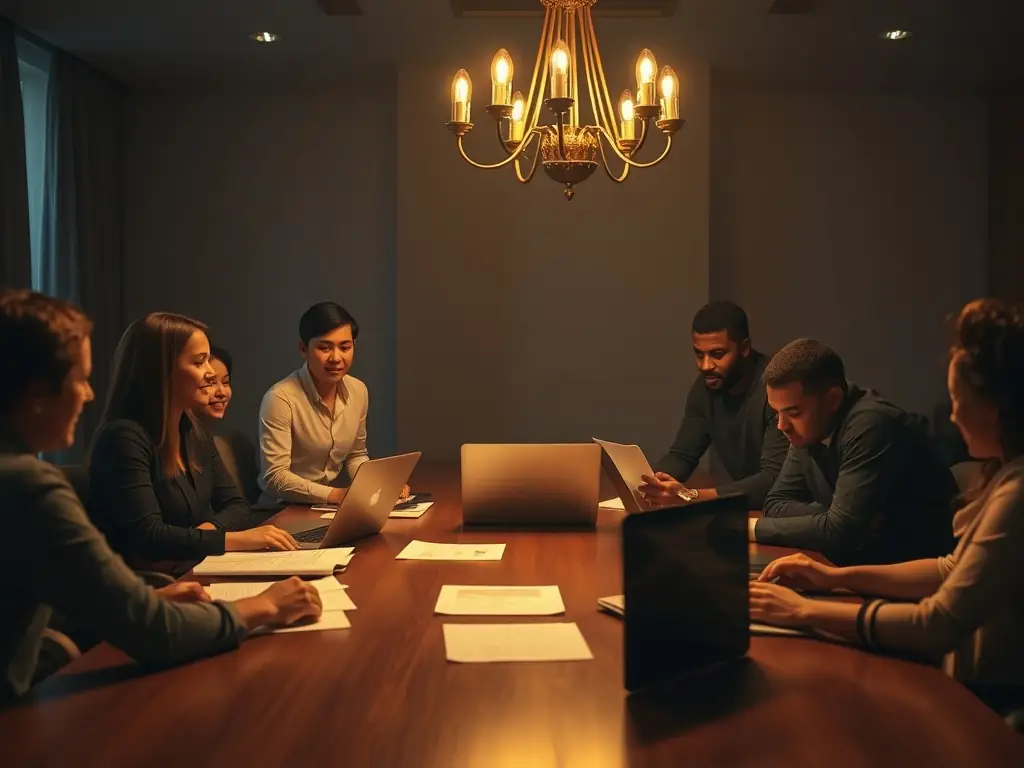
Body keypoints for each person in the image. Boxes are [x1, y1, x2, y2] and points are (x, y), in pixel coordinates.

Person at [0, 290, 321, 701]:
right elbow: (155, 632)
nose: (88, 394)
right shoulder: (29, 487)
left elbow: (50, 597)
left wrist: (139, 594)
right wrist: (265, 606)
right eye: (79, 379)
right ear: (36, 393)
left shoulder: (192, 430)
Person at [751, 299, 1024, 715]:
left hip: (995, 696)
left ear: (999, 407)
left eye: (958, 398)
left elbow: (939, 623)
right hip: (971, 677)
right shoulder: (1006, 474)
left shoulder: (1017, 490)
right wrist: (830, 577)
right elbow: (949, 567)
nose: (952, 414)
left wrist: (804, 610)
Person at [90, 313, 299, 568]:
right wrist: (228, 540)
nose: (211, 373)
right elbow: (149, 537)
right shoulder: (123, 438)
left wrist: (206, 534)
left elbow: (237, 506)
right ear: (162, 371)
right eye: (200, 362)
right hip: (155, 587)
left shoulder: (193, 430)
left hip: (194, 565)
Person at [754, 338, 956, 565]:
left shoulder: (870, 424)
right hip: (863, 565)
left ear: (833, 399)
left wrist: (753, 529)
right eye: (777, 413)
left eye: (794, 413)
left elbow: (841, 533)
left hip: (917, 575)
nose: (782, 426)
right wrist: (833, 514)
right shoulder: (810, 428)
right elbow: (775, 504)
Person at [638, 301, 788, 509]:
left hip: (793, 511)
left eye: (717, 354)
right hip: (751, 511)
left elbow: (773, 481)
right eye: (699, 354)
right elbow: (683, 454)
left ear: (745, 348)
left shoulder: (778, 388)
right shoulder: (705, 389)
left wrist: (689, 495)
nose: (705, 366)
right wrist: (655, 485)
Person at [258, 302, 407, 504]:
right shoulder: (280, 398)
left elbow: (356, 455)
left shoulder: (358, 391)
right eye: (324, 348)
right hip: (281, 510)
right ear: (304, 349)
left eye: (345, 347)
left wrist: (380, 484)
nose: (336, 358)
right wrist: (336, 495)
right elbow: (274, 477)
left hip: (325, 508)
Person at [196, 345, 260, 503]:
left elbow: (237, 505)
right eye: (210, 383)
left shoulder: (212, 442)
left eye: (225, 382)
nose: (221, 392)